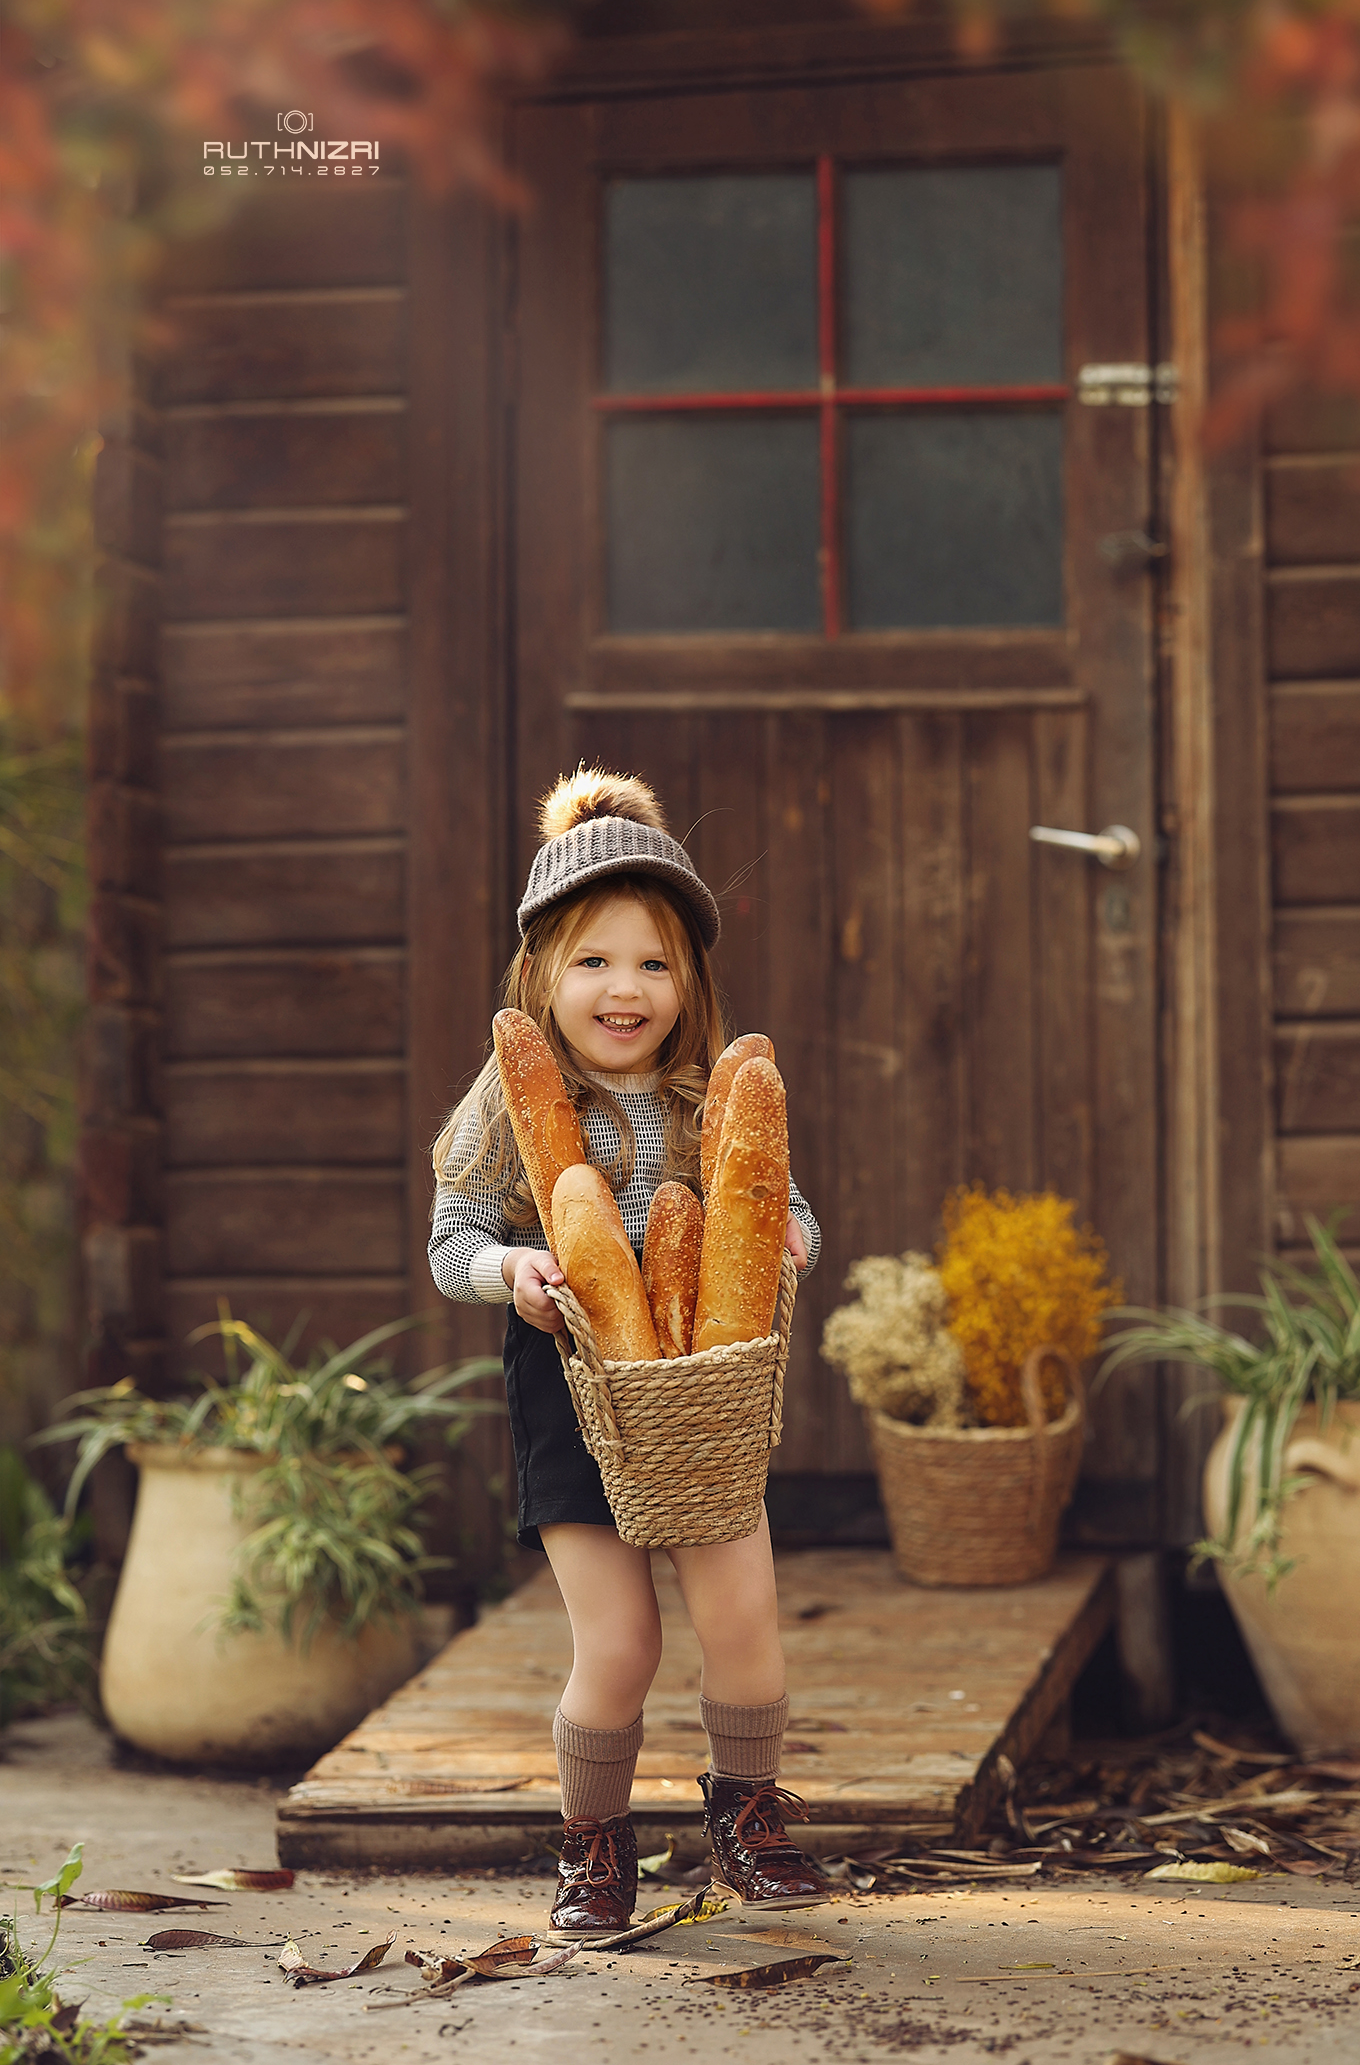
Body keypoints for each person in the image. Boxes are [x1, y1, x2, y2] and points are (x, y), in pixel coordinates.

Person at [429, 766, 830, 1935]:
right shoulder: (507, 1106)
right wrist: (516, 1271)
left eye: (654, 963)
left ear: (689, 979)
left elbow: (788, 1209)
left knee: (743, 1621)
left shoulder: (713, 1094)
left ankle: (748, 1819)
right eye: (595, 961)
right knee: (619, 1641)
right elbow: (453, 1245)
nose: (626, 988)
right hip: (570, 1396)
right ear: (541, 974)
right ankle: (593, 1849)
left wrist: (789, 1248)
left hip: (703, 1397)